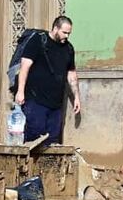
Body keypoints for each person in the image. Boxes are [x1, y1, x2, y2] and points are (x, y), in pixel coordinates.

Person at [13, 16, 81, 144]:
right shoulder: (38, 41)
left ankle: (48, 164)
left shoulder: (68, 49)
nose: (66, 36)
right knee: (35, 136)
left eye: (69, 33)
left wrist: (76, 97)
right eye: (64, 32)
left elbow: (71, 74)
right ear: (55, 28)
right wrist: (20, 91)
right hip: (35, 99)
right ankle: (30, 163)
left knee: (53, 139)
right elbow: (25, 66)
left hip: (56, 103)